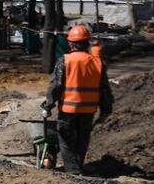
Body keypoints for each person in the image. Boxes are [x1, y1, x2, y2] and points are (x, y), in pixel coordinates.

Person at [42, 24, 113, 174]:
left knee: (65, 140)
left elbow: (56, 85)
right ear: (86, 43)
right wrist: (106, 109)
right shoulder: (97, 62)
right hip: (88, 110)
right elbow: (104, 89)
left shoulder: (66, 60)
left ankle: (73, 171)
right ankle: (78, 166)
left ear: (71, 44)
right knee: (82, 139)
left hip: (68, 109)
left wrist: (48, 105)